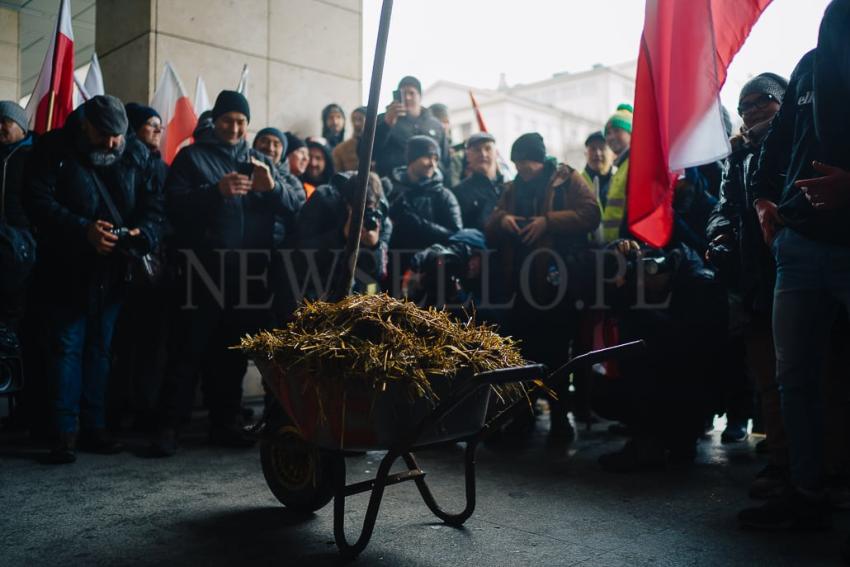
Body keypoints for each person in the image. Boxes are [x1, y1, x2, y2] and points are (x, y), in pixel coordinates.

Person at [739, 0, 850, 530]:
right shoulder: (808, 65)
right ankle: (806, 490)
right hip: (800, 248)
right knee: (794, 376)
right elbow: (779, 145)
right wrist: (763, 200)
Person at [152, 90, 301, 456]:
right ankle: (168, 428)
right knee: (187, 349)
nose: (234, 128)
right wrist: (214, 192)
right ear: (215, 121)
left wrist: (273, 188)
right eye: (227, 121)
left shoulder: (261, 160)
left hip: (249, 275)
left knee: (232, 353)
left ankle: (225, 424)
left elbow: (298, 203)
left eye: (241, 122)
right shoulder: (192, 157)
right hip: (202, 269)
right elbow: (172, 206)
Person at [25, 95, 165, 464]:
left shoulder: (135, 152)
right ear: (85, 124)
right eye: (104, 135)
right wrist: (82, 229)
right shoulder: (52, 147)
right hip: (66, 270)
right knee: (66, 347)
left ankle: (96, 427)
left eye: (118, 136)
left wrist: (143, 234)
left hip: (114, 272)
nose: (112, 144)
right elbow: (36, 201)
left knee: (101, 350)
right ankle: (64, 432)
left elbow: (154, 205)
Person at [484, 132, 600, 444]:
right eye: (518, 163)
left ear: (539, 159)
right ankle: (523, 418)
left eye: (527, 163)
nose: (522, 169)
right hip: (520, 283)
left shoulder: (566, 179)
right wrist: (503, 219)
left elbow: (591, 213)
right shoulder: (511, 188)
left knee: (558, 353)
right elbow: (491, 220)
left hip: (557, 282)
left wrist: (548, 222)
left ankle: (561, 421)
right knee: (522, 351)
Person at [706, 72, 789, 496]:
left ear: (784, 101)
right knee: (769, 379)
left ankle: (825, 465)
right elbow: (723, 208)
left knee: (810, 376)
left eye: (763, 100)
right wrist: (720, 233)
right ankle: (782, 461)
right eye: (746, 105)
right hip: (754, 282)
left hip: (793, 272)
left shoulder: (799, 141)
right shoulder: (738, 157)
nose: (754, 109)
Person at [295, 171, 392, 300]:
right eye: (359, 210)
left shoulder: (381, 220)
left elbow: (379, 274)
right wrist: (341, 236)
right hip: (319, 283)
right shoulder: (324, 201)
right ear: (347, 203)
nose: (364, 215)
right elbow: (300, 254)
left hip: (357, 291)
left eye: (369, 209)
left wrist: (374, 247)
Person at [387, 135, 462, 273]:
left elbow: (456, 235)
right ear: (411, 159)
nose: (432, 164)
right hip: (395, 270)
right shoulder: (392, 191)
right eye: (427, 157)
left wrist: (419, 224)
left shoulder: (444, 196)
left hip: (431, 272)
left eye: (435, 159)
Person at [0, 101, 35, 328]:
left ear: (21, 127)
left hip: (23, 245)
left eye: (5, 122)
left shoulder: (36, 155)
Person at [374, 76, 450, 177]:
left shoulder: (435, 124)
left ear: (420, 96)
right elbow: (365, 151)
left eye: (411, 93)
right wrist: (386, 124)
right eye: (403, 93)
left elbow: (445, 159)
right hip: (395, 185)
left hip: (430, 186)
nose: (407, 97)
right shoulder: (383, 119)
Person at [451, 132, 504, 231]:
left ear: (496, 153)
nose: (483, 154)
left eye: (488, 149)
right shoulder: (458, 193)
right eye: (477, 150)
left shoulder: (509, 188)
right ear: (468, 156)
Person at [601, 104, 633, 243]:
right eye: (607, 133)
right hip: (617, 246)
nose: (611, 137)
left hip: (630, 245)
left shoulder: (636, 163)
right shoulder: (621, 167)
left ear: (631, 133)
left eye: (617, 130)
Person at [429, 103, 464, 187]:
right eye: (440, 122)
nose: (444, 126)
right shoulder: (428, 147)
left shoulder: (458, 148)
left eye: (446, 122)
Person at [581, 131, 614, 210]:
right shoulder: (577, 181)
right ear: (586, 154)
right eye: (593, 148)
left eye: (602, 148)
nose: (597, 153)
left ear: (612, 154)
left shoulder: (621, 180)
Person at [332, 106, 366, 173]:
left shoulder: (378, 143)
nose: (356, 123)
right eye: (354, 119)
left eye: (360, 119)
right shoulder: (340, 149)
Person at [284, 132, 314, 200]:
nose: (306, 158)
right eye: (301, 152)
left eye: (307, 154)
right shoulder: (277, 184)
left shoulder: (308, 188)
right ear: (286, 154)